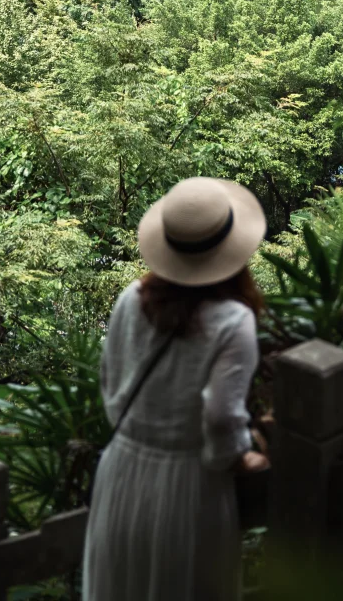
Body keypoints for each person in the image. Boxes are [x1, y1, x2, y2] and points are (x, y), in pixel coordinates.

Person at [82, 175, 270, 601]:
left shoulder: (132, 298)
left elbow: (111, 383)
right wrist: (240, 455)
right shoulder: (232, 321)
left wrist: (142, 437)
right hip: (188, 487)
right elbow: (222, 418)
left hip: (121, 472)